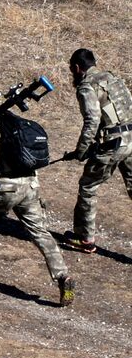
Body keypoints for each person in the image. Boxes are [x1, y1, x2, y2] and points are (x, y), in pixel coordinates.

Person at [0, 87, 73, 305]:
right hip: (30, 184)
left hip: (6, 185)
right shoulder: (10, 118)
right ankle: (62, 275)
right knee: (39, 231)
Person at [66, 48, 132, 253]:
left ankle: (84, 238)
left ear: (77, 68)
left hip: (114, 145)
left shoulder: (87, 87)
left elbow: (92, 121)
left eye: (72, 70)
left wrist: (82, 150)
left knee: (88, 186)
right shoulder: (113, 78)